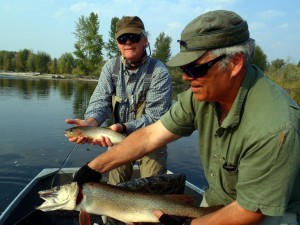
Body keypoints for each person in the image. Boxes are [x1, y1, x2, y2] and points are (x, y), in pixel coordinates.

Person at [70, 10, 300, 225]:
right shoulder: (200, 94)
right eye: (184, 68)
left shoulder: (275, 127)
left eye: (195, 68)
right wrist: (93, 167)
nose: (186, 77)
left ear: (235, 63)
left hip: (267, 212)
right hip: (218, 199)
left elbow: (251, 210)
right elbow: (150, 136)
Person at [66, 16, 172, 185]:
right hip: (116, 137)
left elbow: (156, 118)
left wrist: (123, 127)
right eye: (123, 38)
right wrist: (91, 123)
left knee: (152, 190)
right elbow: (100, 101)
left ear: (145, 40)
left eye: (134, 37)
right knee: (115, 187)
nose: (128, 42)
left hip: (151, 140)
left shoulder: (159, 72)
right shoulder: (110, 67)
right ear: (117, 43)